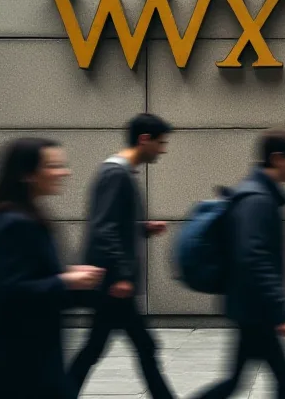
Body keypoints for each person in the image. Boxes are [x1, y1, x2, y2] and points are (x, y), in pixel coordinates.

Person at [0, 137, 105, 398]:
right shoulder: (15, 223)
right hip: (18, 359)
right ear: (27, 174)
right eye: (54, 166)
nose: (65, 172)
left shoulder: (23, 216)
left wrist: (66, 278)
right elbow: (8, 290)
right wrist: (66, 281)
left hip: (22, 359)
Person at [192, 128, 285, 399]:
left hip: (250, 306)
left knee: (236, 382)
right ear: (278, 159)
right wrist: (281, 310)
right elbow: (254, 257)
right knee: (284, 379)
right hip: (256, 309)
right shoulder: (257, 200)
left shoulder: (257, 194)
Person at [68, 113, 175, 398]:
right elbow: (104, 228)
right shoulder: (116, 173)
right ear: (144, 139)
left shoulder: (120, 172)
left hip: (111, 282)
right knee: (141, 346)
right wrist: (123, 275)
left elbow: (113, 224)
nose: (162, 150)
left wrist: (141, 228)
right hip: (114, 283)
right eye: (160, 143)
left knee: (101, 347)